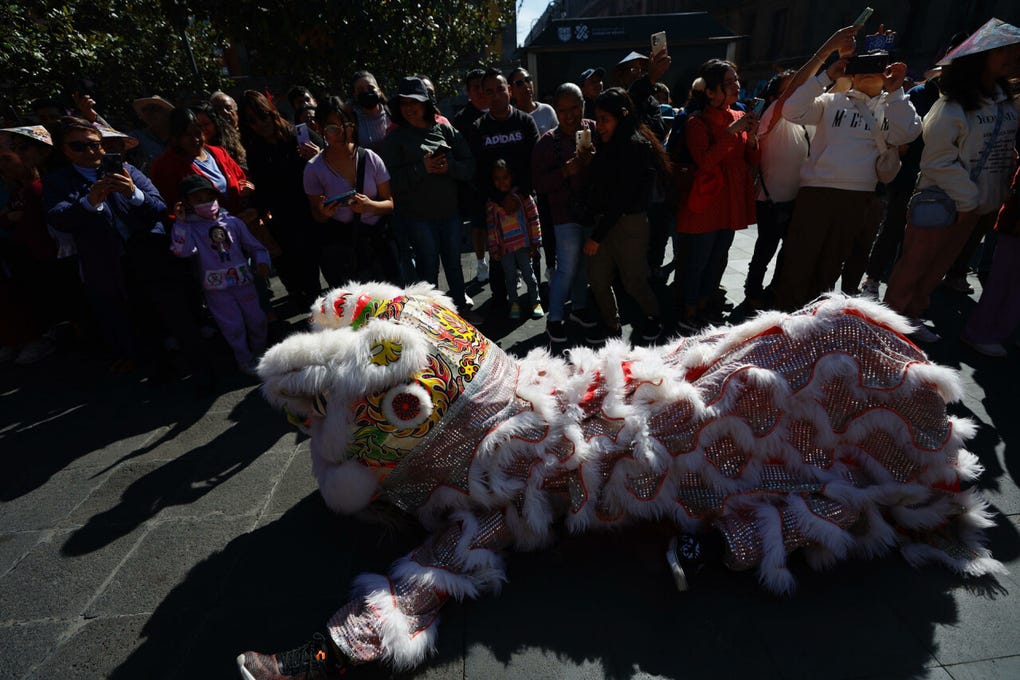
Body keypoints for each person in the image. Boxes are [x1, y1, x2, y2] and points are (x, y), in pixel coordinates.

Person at [238, 282, 1002, 678]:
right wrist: (344, 644)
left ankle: (745, 533)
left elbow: (451, 540)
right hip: (639, 424)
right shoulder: (494, 467)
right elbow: (455, 548)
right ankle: (735, 539)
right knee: (747, 421)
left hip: (657, 393)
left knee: (788, 358)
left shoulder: (488, 440)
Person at [883, 18, 1020, 342]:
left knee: (938, 266)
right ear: (981, 57)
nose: (1012, 58)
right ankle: (889, 326)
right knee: (915, 264)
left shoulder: (1005, 99)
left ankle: (913, 314)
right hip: (943, 201)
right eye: (1005, 52)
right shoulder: (952, 104)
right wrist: (969, 198)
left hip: (973, 205)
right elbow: (938, 159)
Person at [773, 27, 921, 313]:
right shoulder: (832, 100)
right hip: (817, 192)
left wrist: (896, 90)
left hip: (859, 197)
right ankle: (785, 319)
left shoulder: (895, 105)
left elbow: (909, 133)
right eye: (862, 65)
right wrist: (826, 76)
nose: (870, 72)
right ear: (851, 72)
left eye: (879, 66)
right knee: (799, 258)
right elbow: (792, 111)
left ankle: (815, 318)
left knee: (831, 264)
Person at [43, 117, 167, 373]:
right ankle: (133, 356)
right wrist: (88, 202)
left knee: (153, 305)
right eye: (77, 146)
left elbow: (159, 207)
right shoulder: (57, 181)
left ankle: (163, 355)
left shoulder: (127, 170)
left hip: (142, 253)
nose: (89, 151)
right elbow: (58, 217)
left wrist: (133, 193)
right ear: (64, 150)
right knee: (115, 310)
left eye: (94, 145)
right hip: (102, 260)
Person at [381, 77, 478, 320]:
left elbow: (469, 166)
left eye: (414, 101)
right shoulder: (395, 138)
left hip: (450, 214)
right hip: (417, 218)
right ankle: (433, 321)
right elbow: (389, 182)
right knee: (428, 270)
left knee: (454, 266)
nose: (408, 107)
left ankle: (461, 314)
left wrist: (449, 167)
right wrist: (421, 168)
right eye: (403, 103)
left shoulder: (443, 128)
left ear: (426, 103)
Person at [674, 60, 760, 332]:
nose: (736, 86)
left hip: (731, 200)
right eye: (728, 82)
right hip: (708, 201)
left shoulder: (739, 115)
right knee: (699, 259)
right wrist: (732, 133)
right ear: (710, 92)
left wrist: (753, 137)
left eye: (736, 80)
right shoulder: (696, 121)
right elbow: (706, 161)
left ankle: (703, 305)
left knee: (719, 257)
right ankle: (687, 311)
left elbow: (752, 159)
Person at [583, 87, 665, 344]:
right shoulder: (608, 144)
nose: (600, 126)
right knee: (597, 278)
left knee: (633, 281)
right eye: (598, 119)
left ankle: (654, 317)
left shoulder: (635, 146)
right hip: (605, 222)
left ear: (622, 116)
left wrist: (596, 237)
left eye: (605, 120)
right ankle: (611, 324)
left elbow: (620, 199)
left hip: (629, 224)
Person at [170, 174, 269, 375]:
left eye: (209, 197)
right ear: (187, 203)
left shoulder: (232, 222)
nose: (206, 203)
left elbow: (255, 246)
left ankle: (261, 351)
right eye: (198, 200)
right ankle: (244, 358)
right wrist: (180, 223)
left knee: (256, 318)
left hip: (243, 281)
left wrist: (262, 262)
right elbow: (182, 251)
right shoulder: (188, 227)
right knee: (232, 325)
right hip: (217, 288)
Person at [239, 89, 324, 309]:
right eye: (252, 120)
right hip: (288, 221)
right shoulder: (255, 150)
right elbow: (264, 189)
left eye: (263, 115)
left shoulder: (298, 134)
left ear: (272, 112)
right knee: (309, 283)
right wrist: (254, 209)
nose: (260, 123)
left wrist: (317, 156)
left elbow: (331, 162)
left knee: (333, 272)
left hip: (317, 212)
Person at [468, 68, 541, 311]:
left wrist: (518, 196)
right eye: (489, 92)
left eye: (500, 89)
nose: (496, 95)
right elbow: (476, 173)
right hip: (496, 210)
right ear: (484, 97)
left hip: (524, 203)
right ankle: (505, 302)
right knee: (501, 263)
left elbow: (536, 164)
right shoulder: (477, 129)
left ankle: (534, 300)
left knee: (531, 257)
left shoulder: (525, 122)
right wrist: (500, 199)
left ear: (509, 91)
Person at [532, 82, 597, 343]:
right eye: (563, 110)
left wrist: (596, 162)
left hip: (591, 212)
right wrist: (566, 171)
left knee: (583, 266)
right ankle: (555, 318)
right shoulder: (547, 143)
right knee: (566, 268)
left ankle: (578, 308)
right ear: (556, 111)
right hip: (563, 215)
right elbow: (538, 184)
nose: (570, 115)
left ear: (583, 105)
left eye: (575, 107)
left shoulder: (593, 129)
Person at [305, 97, 395, 286]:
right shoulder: (314, 168)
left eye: (346, 125)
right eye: (332, 128)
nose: (341, 133)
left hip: (378, 245)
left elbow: (390, 203)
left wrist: (371, 206)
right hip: (345, 250)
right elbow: (316, 215)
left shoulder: (369, 158)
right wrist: (324, 212)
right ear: (320, 129)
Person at [743, 69, 811, 309]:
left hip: (795, 200)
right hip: (771, 201)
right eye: (789, 89)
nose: (796, 94)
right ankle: (752, 292)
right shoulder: (771, 119)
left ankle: (774, 289)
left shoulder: (801, 124)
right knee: (765, 250)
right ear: (774, 98)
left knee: (788, 252)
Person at [0, 125, 57, 364]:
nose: (3, 165)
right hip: (24, 255)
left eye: (7, 158)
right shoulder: (15, 190)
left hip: (47, 254)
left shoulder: (42, 185)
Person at [150, 107, 255, 218]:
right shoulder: (165, 166)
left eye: (197, 132)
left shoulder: (219, 153)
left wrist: (247, 188)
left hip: (241, 224)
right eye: (187, 135)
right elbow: (169, 208)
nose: (195, 139)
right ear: (176, 138)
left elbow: (241, 179)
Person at [486, 159, 543, 320]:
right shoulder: (492, 204)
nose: (501, 182)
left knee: (529, 275)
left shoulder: (524, 198)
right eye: (497, 178)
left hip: (524, 246)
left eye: (505, 177)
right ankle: (514, 303)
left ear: (511, 177)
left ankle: (536, 301)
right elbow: (492, 227)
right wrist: (494, 248)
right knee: (510, 278)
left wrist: (536, 241)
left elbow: (534, 218)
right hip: (505, 249)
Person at [452, 68, 492, 285]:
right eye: (474, 87)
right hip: (474, 183)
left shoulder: (498, 110)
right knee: (478, 226)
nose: (480, 92)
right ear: (468, 92)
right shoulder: (460, 119)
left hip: (498, 179)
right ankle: (481, 263)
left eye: (482, 86)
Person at [128, 95, 174, 175]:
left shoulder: (179, 138)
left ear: (167, 113)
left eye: (154, 109)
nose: (149, 113)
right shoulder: (135, 138)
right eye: (145, 110)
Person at [348, 71, 391, 153]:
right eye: (360, 90)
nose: (366, 92)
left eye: (370, 88)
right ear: (355, 96)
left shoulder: (392, 114)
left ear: (379, 90)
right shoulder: (352, 120)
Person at [509, 67, 558, 135]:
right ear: (511, 91)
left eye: (528, 80)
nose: (526, 85)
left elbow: (559, 138)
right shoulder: (510, 117)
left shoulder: (547, 111)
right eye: (519, 83)